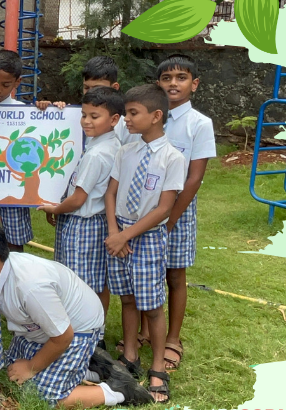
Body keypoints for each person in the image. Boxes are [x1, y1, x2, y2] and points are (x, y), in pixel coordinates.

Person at [0, 219, 153, 408]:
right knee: (11, 374)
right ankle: (86, 368)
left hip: (77, 329)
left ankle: (117, 391)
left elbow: (63, 337)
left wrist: (31, 367)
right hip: (44, 327)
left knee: (46, 397)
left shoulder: (30, 287)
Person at [104, 84, 186, 403]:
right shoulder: (125, 151)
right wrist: (115, 232)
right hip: (119, 233)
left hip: (146, 237)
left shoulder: (172, 157)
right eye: (126, 112)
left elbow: (164, 208)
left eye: (132, 113)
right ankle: (131, 357)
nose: (126, 118)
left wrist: (127, 235)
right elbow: (111, 192)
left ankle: (157, 368)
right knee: (126, 298)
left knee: (151, 306)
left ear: (155, 116)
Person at [137, 54, 215, 371]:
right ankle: (143, 330)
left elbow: (194, 178)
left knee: (174, 274)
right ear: (158, 83)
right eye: (167, 78)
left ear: (194, 84)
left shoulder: (199, 124)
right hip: (144, 209)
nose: (173, 83)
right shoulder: (149, 117)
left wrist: (170, 218)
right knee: (145, 270)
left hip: (178, 213)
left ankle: (172, 338)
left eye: (181, 78)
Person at [38, 86, 124, 350]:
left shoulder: (97, 154)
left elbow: (78, 199)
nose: (87, 121)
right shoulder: (109, 145)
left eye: (94, 116)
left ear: (114, 120)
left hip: (81, 225)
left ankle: (82, 338)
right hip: (92, 223)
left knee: (77, 282)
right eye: (84, 114)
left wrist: (55, 208)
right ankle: (93, 335)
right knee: (93, 280)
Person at [0, 50, 52, 252]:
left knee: (14, 242)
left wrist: (50, 110)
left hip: (16, 189)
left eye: (5, 84)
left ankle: (15, 281)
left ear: (17, 82)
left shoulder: (28, 112)